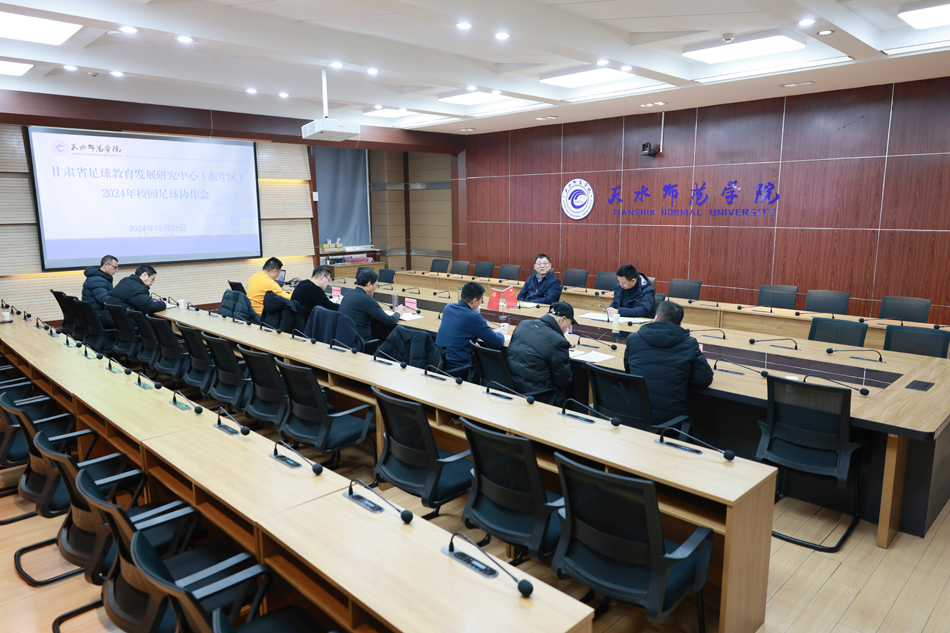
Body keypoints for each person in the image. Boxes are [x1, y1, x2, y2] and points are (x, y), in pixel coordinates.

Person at [623, 300, 713, 423]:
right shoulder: (690, 344)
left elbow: (628, 369)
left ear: (656, 318)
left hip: (633, 416)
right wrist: (681, 375)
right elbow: (703, 380)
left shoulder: (633, 339)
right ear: (680, 324)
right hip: (670, 420)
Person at [506, 301, 574, 407]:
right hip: (541, 396)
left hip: (513, 388)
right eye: (568, 326)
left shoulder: (522, 324)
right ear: (562, 320)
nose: (566, 330)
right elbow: (564, 381)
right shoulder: (559, 341)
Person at [436, 281, 506, 372]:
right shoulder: (473, 317)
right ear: (474, 301)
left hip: (438, 364)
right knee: (490, 371)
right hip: (458, 369)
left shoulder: (448, 307)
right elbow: (498, 342)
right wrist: (499, 333)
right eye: (481, 301)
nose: (480, 304)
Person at [339, 268, 407, 341]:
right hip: (362, 343)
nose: (376, 288)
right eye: (376, 285)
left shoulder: (348, 294)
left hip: (344, 340)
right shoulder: (366, 299)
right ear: (369, 284)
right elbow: (390, 321)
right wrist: (398, 312)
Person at [82, 255, 118, 327]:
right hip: (98, 317)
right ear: (105, 265)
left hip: (92, 315)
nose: (116, 270)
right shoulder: (98, 280)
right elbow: (104, 299)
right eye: (114, 267)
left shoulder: (98, 278)